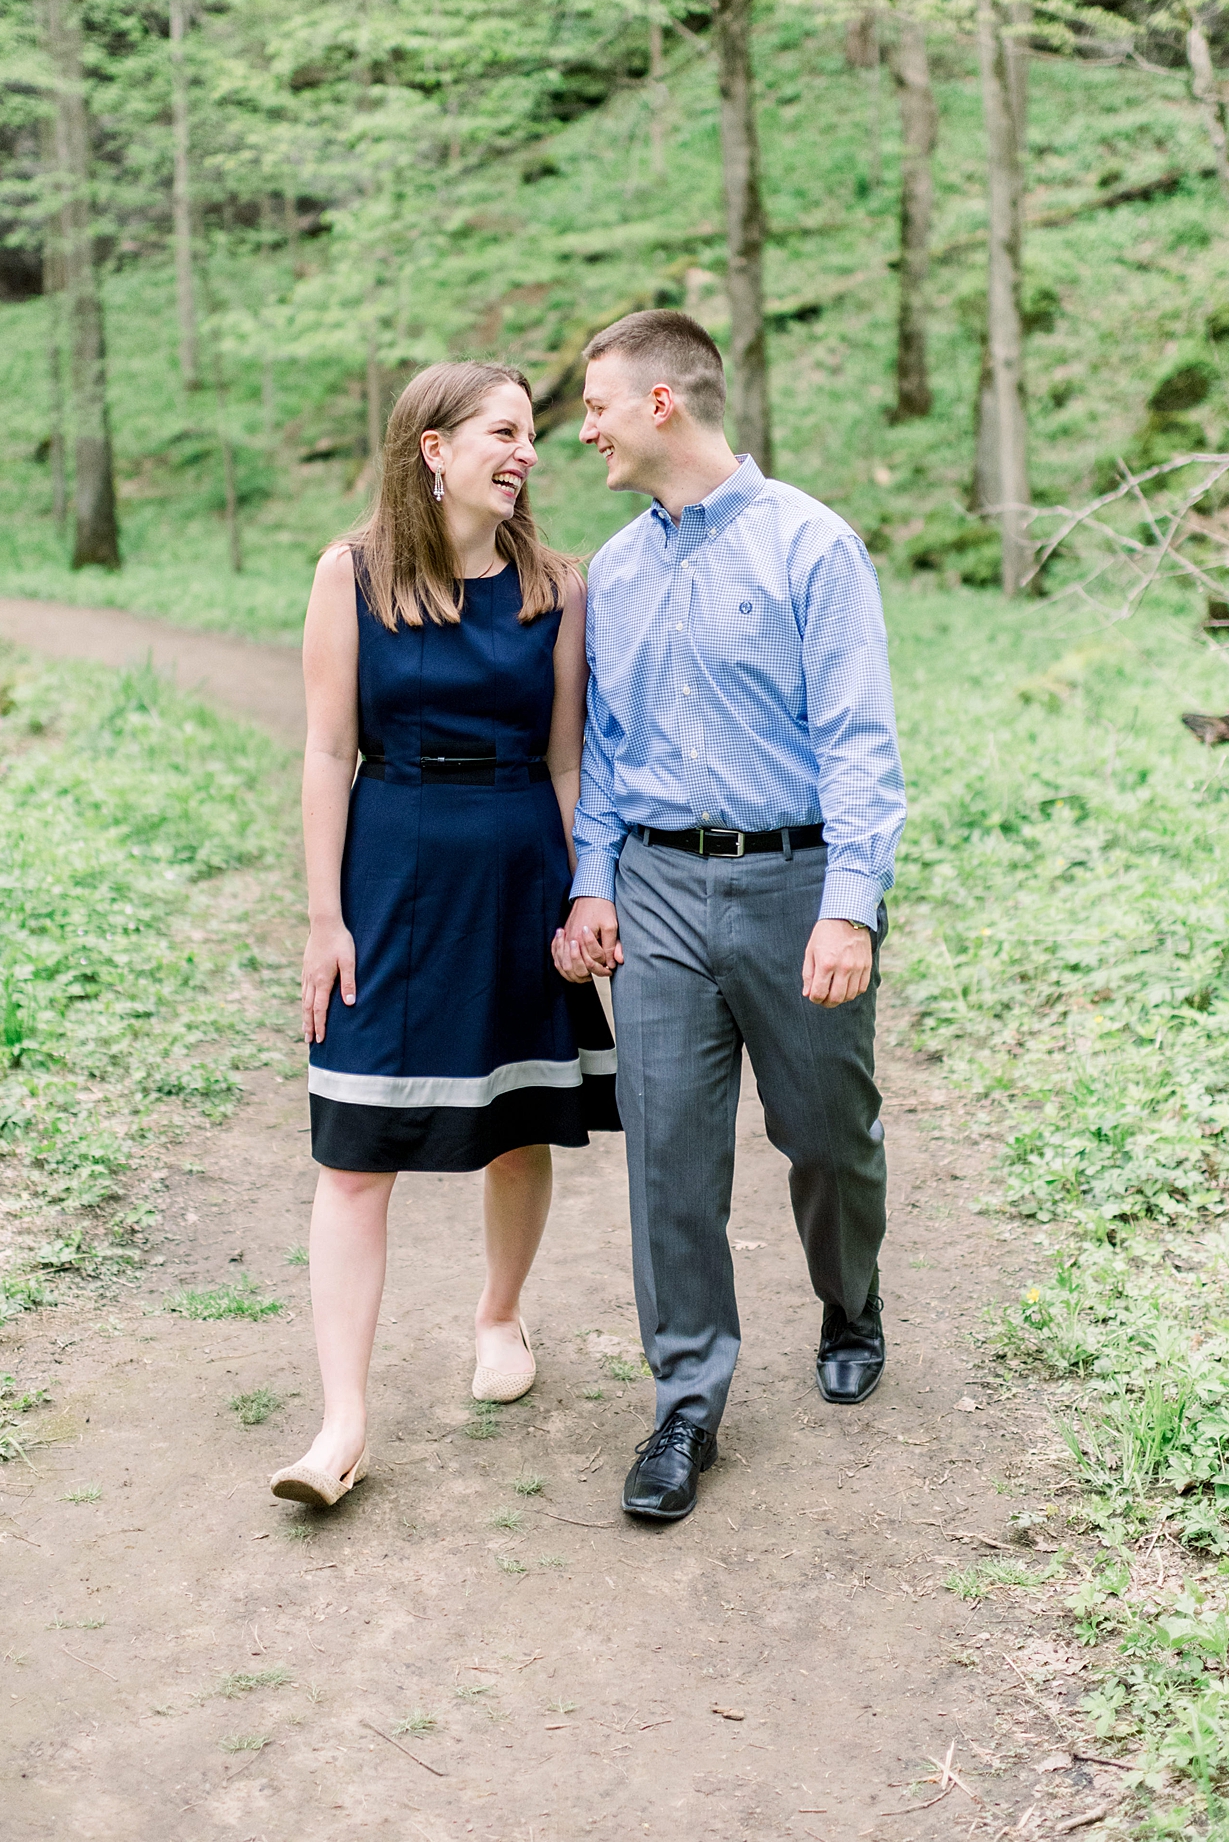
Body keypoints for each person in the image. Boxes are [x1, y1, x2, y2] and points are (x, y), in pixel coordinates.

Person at [554, 310, 906, 1524]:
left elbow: (860, 745)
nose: (580, 426)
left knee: (825, 1133)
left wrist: (849, 910)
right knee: (667, 1154)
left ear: (663, 404)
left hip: (794, 882)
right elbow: (600, 751)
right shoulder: (613, 570)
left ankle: (848, 1294)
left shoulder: (813, 548)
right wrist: (591, 878)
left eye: (595, 402)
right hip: (653, 889)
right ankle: (686, 1402)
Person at [271, 361, 618, 1510]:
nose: (527, 454)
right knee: (354, 1154)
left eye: (534, 436)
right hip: (392, 872)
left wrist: (582, 895)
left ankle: (500, 1315)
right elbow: (328, 751)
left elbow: (569, 758)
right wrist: (325, 918)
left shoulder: (556, 587)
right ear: (434, 447)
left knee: (515, 1126)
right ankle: (342, 1426)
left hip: (521, 862)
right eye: (505, 432)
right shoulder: (353, 573)